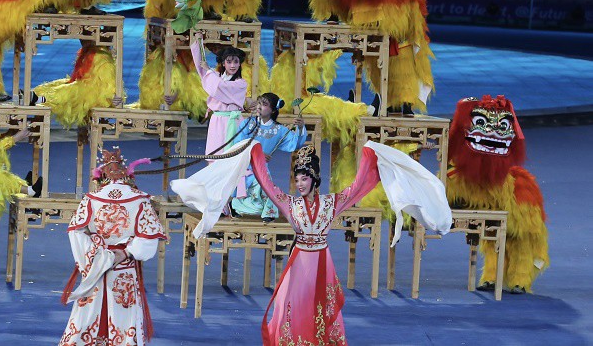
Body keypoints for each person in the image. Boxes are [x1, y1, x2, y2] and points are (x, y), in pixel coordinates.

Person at [172, 141, 452, 344]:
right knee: (292, 307)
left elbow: (358, 187)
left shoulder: (332, 203)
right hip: (299, 264)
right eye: (297, 178)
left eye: (305, 177)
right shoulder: (289, 204)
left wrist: (370, 156)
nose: (300, 183)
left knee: (320, 309)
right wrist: (255, 153)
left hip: (321, 262)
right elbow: (267, 183)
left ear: (315, 178)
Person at [59, 147, 166, 346]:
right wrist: (125, 252)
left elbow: (76, 232)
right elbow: (149, 239)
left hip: (96, 267)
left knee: (88, 314)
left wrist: (95, 257)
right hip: (125, 266)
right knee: (124, 315)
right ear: (127, 175)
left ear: (101, 177)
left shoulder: (90, 199)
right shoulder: (141, 200)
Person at [230, 93, 306, 221]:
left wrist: (300, 127)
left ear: (273, 110)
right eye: (259, 103)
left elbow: (295, 144)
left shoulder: (279, 130)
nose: (259, 107)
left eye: (264, 104)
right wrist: (257, 153)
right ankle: (236, 205)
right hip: (245, 166)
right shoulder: (248, 124)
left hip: (262, 168)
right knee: (257, 194)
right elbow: (238, 144)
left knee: (267, 188)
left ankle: (265, 212)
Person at [190, 31, 253, 159]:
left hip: (233, 121)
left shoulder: (241, 83)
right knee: (215, 155)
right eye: (229, 62)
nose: (232, 65)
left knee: (234, 157)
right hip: (217, 120)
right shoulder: (216, 76)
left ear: (239, 64)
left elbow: (221, 86)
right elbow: (201, 67)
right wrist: (199, 42)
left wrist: (209, 70)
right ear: (223, 63)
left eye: (236, 62)